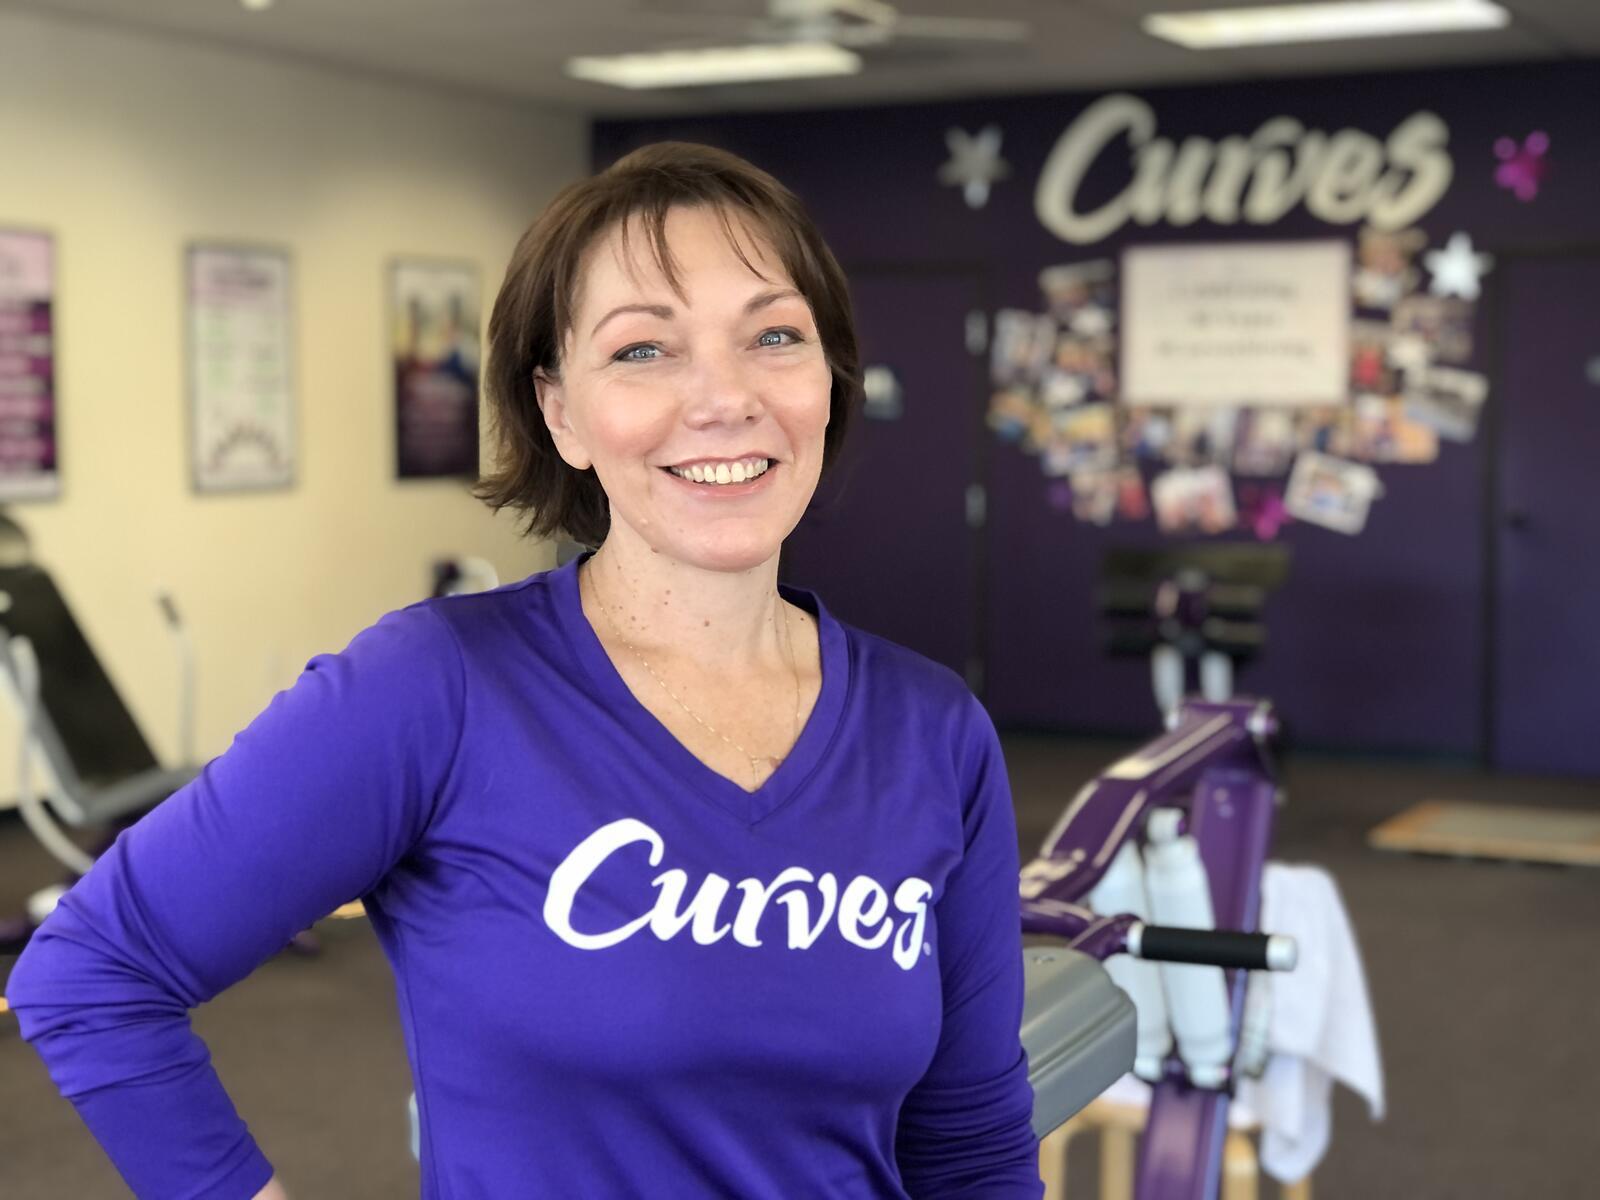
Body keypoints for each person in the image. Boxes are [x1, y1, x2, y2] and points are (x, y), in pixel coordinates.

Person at [7, 142, 1042, 1198]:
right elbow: (95, 972)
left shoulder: (932, 731)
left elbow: (970, 1144)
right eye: (643, 349)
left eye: (774, 335)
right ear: (560, 413)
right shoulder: (437, 689)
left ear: (828, 379)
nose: (724, 397)